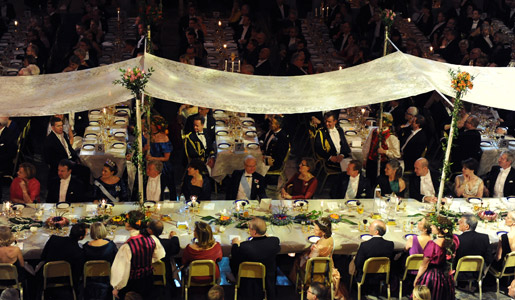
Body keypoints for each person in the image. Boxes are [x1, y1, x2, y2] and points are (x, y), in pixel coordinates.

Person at [111, 210, 165, 300]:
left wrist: (116, 288)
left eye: (126, 220)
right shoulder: (152, 239)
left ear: (129, 224)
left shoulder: (127, 246)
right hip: (148, 279)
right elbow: (160, 255)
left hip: (133, 283)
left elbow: (121, 270)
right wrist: (145, 261)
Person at [231, 217, 280, 300]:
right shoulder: (274, 241)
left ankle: (234, 277)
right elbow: (277, 248)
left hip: (248, 278)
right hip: (268, 276)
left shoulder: (245, 246)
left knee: (233, 260)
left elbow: (234, 254)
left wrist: (235, 244)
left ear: (254, 231)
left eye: (249, 228)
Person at [414, 215, 459, 300]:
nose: (431, 226)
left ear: (439, 229)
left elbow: (424, 265)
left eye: (433, 225)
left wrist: (417, 278)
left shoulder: (432, 245)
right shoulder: (454, 240)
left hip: (432, 277)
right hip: (446, 275)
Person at [41, 223, 87, 289]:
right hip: (66, 279)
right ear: (81, 237)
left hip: (46, 276)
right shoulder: (79, 252)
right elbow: (77, 274)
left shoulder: (53, 239)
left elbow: (42, 256)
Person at [362, 112, 400, 186]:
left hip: (383, 165)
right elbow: (367, 146)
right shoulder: (374, 131)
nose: (378, 121)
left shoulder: (391, 136)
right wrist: (365, 159)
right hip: (371, 162)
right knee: (369, 182)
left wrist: (385, 151)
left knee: (379, 183)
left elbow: (396, 154)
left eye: (381, 119)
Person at [83, 222, 118, 300]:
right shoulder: (110, 245)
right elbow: (116, 261)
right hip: (107, 277)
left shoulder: (86, 247)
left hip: (90, 277)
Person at [146, 220, 180, 298]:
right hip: (165, 274)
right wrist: (174, 237)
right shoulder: (166, 243)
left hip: (146, 274)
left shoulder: (143, 243)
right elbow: (176, 249)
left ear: (149, 230)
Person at [143, 116, 176, 195]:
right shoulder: (147, 136)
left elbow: (166, 158)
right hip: (149, 164)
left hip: (161, 165)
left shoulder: (163, 138)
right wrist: (144, 149)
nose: (150, 126)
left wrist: (152, 158)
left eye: (152, 124)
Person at [455, 214, 491, 280]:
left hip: (459, 273)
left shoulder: (458, 240)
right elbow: (488, 258)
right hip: (477, 273)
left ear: (467, 227)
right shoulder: (485, 238)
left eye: (461, 222)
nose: (458, 222)